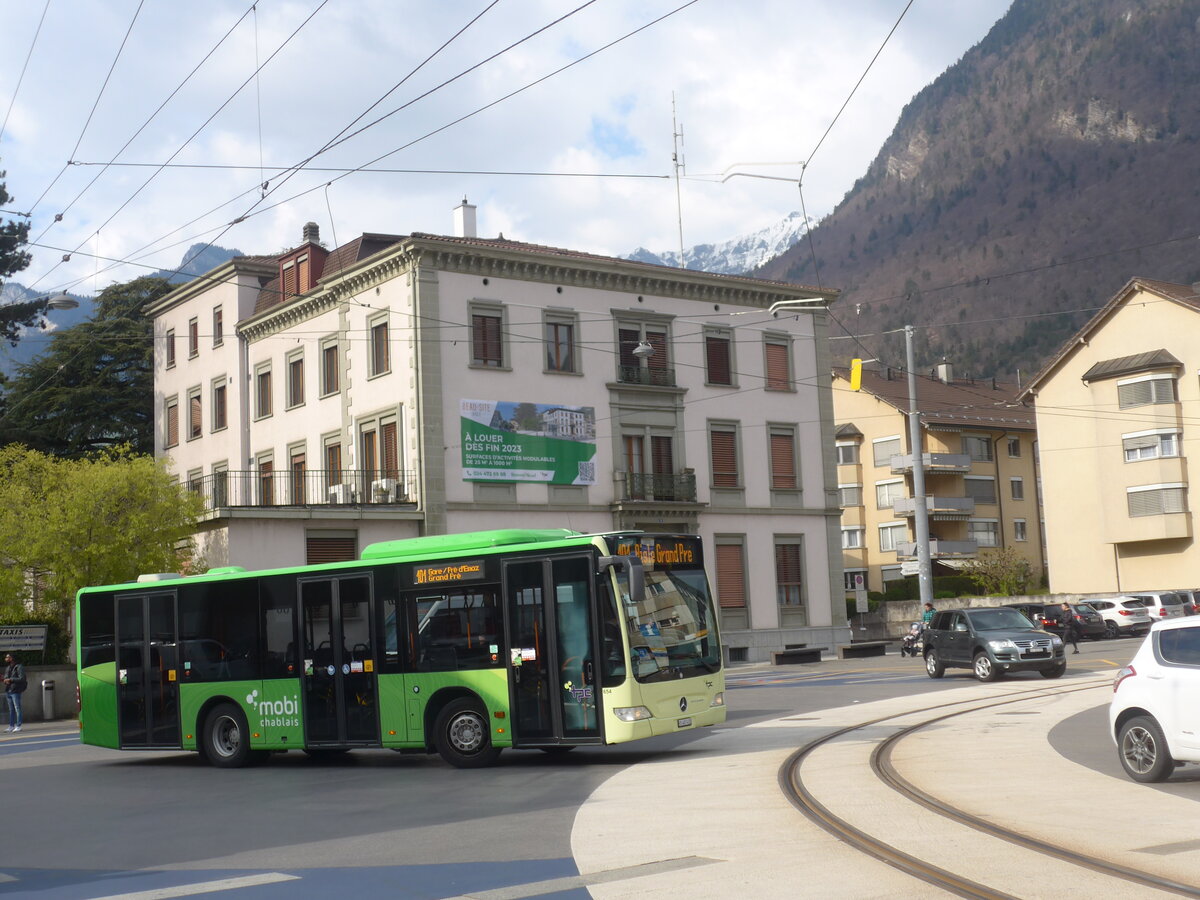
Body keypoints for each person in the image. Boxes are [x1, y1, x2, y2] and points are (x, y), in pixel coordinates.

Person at [3, 652, 27, 733]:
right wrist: (5, 680)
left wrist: (11, 679)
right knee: (11, 709)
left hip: (16, 690)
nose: (6, 658)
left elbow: (22, 678)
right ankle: (11, 726)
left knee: (17, 708)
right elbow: (6, 676)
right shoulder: (8, 668)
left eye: (8, 657)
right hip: (8, 690)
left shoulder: (19, 667)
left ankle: (18, 725)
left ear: (12, 658)